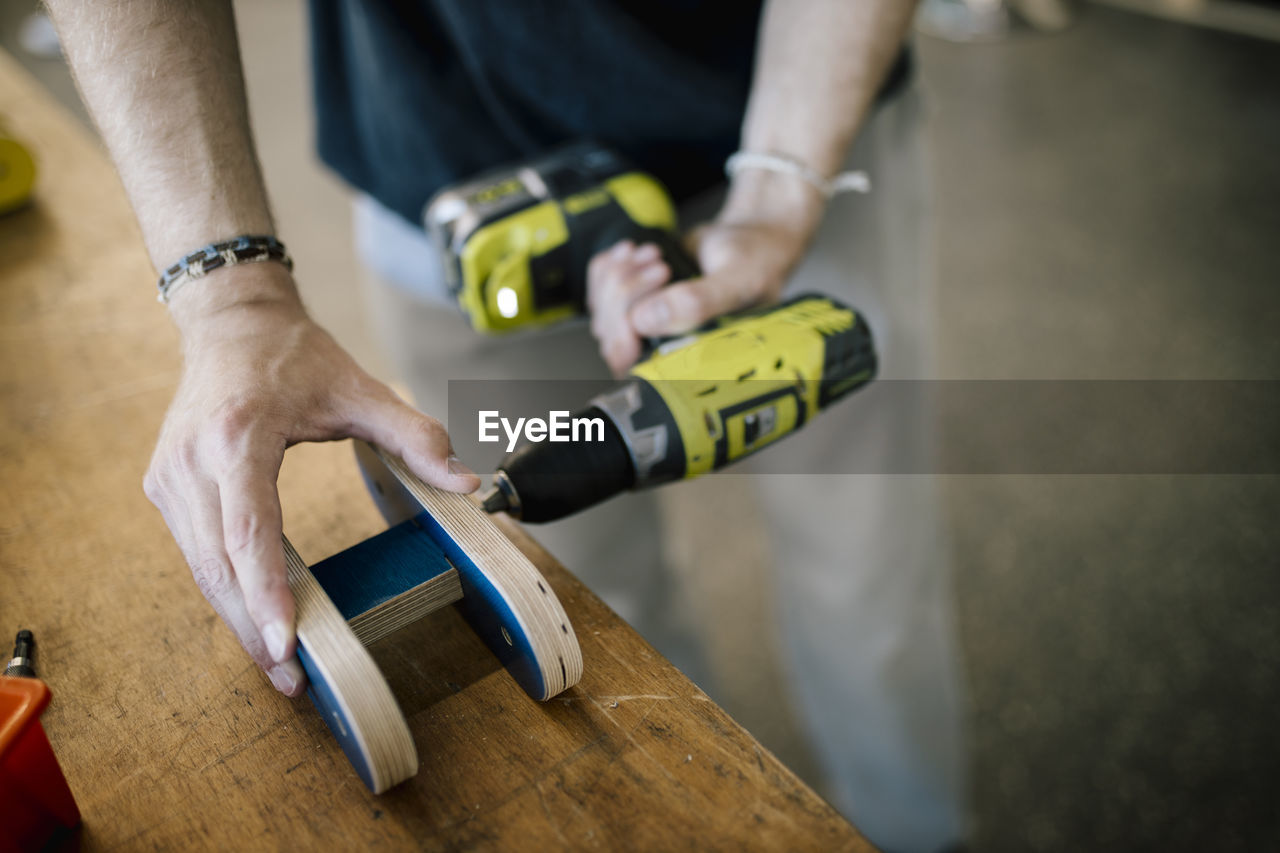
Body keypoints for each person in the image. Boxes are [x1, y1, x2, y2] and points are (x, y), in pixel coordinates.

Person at [47, 2, 964, 849]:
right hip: (452, 190)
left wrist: (778, 187)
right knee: (598, 609)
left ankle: (913, 829)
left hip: (804, 123)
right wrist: (232, 301)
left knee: (866, 579)